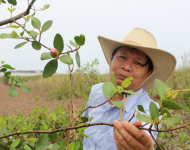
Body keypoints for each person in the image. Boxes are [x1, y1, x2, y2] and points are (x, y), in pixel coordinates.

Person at [82, 28, 176, 150]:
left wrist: (146, 147)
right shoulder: (96, 90)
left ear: (148, 74)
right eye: (122, 57)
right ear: (111, 59)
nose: (126, 67)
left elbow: (144, 139)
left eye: (138, 63)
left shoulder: (150, 111)